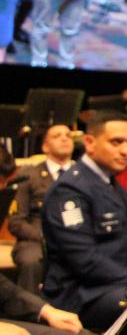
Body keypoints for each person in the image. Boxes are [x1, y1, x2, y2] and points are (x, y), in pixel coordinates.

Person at [40, 111, 127, 331]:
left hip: (113, 285)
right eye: (117, 142)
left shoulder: (112, 184)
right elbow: (85, 261)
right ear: (89, 143)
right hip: (79, 295)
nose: (126, 151)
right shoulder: (70, 190)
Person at [9, 125, 75, 295]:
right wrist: (45, 237)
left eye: (68, 135)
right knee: (31, 260)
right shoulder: (29, 175)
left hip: (76, 237)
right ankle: (27, 313)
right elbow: (16, 222)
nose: (64, 138)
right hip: (36, 238)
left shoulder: (82, 175)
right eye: (57, 136)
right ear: (45, 146)